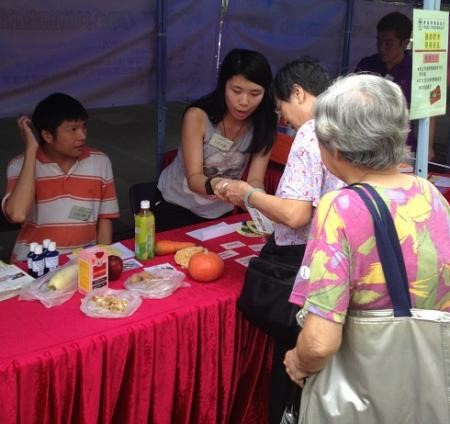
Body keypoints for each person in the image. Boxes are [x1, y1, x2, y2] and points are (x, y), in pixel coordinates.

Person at [284, 74, 449, 402]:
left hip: (364, 388)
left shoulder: (341, 207)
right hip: (426, 379)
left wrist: (298, 362)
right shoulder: (429, 193)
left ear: (334, 147)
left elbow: (320, 343)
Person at [222, 57, 343, 424]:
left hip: (301, 262)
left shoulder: (310, 131)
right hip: (335, 256)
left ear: (298, 93)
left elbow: (294, 215)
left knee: (293, 366)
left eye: (281, 109)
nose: (284, 120)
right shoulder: (344, 125)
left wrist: (246, 194)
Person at [155, 48, 277, 230]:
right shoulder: (197, 117)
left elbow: (255, 179)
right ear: (223, 86)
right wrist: (224, 186)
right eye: (236, 90)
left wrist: (255, 198)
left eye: (254, 93)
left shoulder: (265, 123)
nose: (244, 101)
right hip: (176, 205)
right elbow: (194, 178)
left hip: (220, 212)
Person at [2, 93, 120, 262]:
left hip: (83, 262)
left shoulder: (99, 161)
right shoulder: (19, 165)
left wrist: (102, 259)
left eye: (84, 127)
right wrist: (31, 150)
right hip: (32, 264)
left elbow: (105, 218)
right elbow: (18, 215)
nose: (82, 136)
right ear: (48, 136)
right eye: (73, 129)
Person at [355, 11, 436, 159]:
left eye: (388, 43)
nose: (381, 47)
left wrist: (428, 146)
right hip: (366, 144)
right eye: (379, 41)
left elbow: (429, 111)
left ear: (404, 43)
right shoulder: (366, 65)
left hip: (402, 148)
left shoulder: (418, 71)